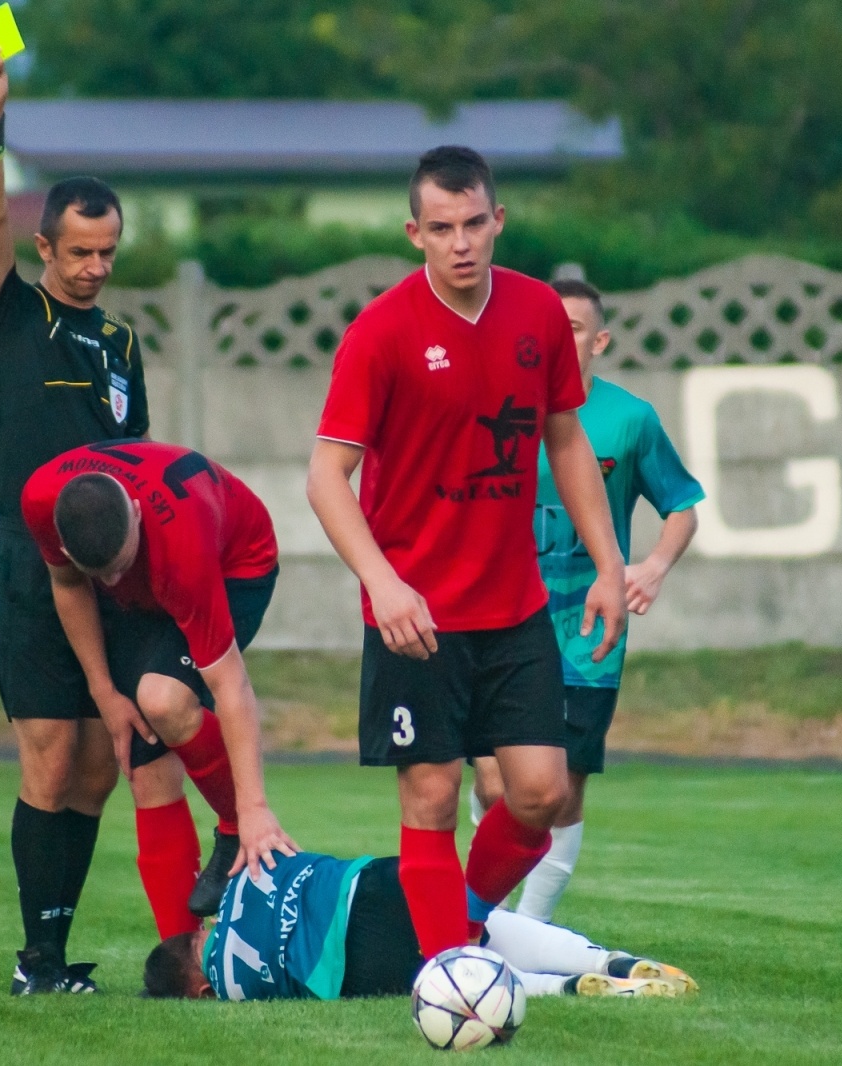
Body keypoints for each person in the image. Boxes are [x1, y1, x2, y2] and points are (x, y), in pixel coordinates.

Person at [306, 146, 629, 964]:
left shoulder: (538, 316)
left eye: (474, 223)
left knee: (542, 794)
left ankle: (462, 923)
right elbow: (325, 477)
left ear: (498, 222)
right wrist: (384, 584)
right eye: (442, 227)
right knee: (434, 794)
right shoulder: (379, 334)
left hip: (513, 607)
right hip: (417, 616)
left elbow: (566, 443)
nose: (461, 242)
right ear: (415, 233)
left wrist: (609, 568)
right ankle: (447, 972)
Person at [0, 43, 231, 995]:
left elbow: (142, 458)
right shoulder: (10, 315)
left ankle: (58, 950)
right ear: (45, 250)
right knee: (49, 755)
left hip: (110, 569)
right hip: (27, 565)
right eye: (76, 251)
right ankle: (36, 962)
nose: (92, 267)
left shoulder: (121, 343)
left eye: (106, 252)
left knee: (95, 766)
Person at [471, 279, 704, 921]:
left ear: (598, 340)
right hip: (497, 620)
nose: (559, 335)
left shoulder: (629, 418)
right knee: (498, 784)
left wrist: (652, 567)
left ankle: (528, 927)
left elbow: (682, 505)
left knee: (562, 787)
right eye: (550, 323)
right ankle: (482, 901)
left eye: (573, 326)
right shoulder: (497, 403)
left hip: (585, 631)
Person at [20, 439, 298, 942]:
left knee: (163, 700)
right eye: (101, 573)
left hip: (237, 563)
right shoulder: (42, 499)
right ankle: (184, 964)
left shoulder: (183, 548)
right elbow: (69, 585)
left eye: (121, 566)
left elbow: (231, 683)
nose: (114, 580)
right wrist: (105, 694)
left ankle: (237, 829)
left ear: (135, 511)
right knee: (145, 766)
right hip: (149, 588)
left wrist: (252, 808)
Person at [140, 850, 698, 1001]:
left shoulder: (231, 988)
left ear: (198, 989)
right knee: (479, 921)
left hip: (351, 955)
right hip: (372, 880)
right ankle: (609, 961)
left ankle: (568, 988)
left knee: (453, 973)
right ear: (198, 930)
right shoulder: (239, 881)